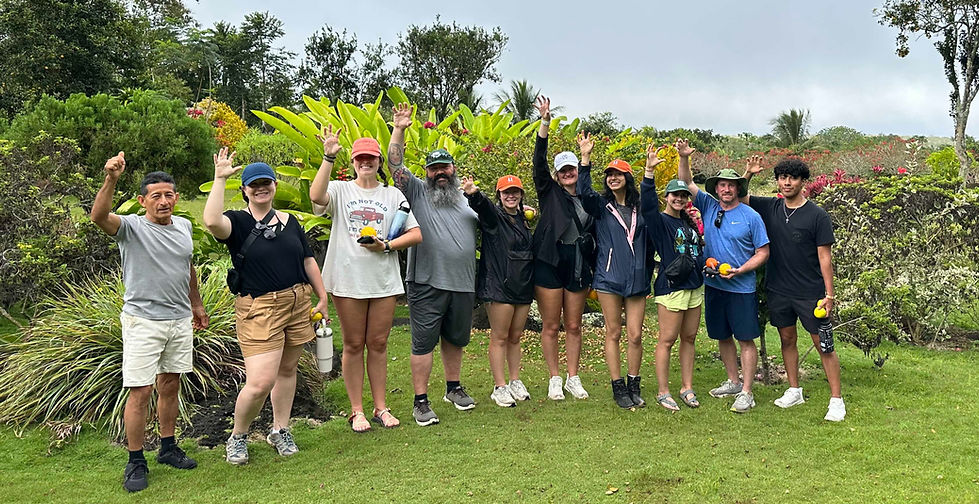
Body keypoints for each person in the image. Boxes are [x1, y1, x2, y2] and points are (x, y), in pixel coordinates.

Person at [90, 152, 208, 492]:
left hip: (178, 319)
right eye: (155, 195)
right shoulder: (131, 228)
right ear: (142, 200)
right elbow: (98, 216)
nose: (163, 200)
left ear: (176, 198)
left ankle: (168, 447)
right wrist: (111, 178)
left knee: (170, 385)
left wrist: (196, 304)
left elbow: (187, 268)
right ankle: (135, 460)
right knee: (140, 391)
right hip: (143, 321)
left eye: (169, 194)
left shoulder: (184, 226)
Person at [202, 149, 329, 463]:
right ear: (244, 189)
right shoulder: (238, 222)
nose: (261, 188)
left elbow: (307, 259)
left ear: (274, 185)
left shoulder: (290, 221)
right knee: (260, 382)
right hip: (259, 308)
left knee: (287, 370)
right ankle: (238, 436)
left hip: (297, 302)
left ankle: (280, 429)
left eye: (266, 183)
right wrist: (220, 178)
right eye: (254, 184)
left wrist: (322, 296)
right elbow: (211, 221)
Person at [309, 126, 423, 432]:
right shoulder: (340, 189)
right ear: (353, 161)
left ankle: (380, 407)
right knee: (353, 343)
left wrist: (386, 246)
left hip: (383, 280)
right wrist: (328, 157)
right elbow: (316, 196)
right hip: (347, 279)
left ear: (378, 161)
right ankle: (356, 410)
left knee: (379, 343)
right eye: (360, 158)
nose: (365, 163)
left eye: (371, 158)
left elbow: (415, 233)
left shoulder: (392, 195)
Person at [389, 103, 479, 426]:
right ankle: (420, 401)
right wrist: (399, 129)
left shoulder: (467, 196)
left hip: (462, 283)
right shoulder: (417, 192)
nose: (440, 172)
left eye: (445, 167)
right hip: (426, 281)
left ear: (453, 169)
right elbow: (395, 166)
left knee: (455, 338)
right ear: (426, 172)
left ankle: (453, 388)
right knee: (423, 341)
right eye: (434, 168)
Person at [742, 156, 845, 421]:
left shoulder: (817, 216)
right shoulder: (771, 207)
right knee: (787, 339)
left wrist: (829, 295)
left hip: (811, 293)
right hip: (779, 289)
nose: (787, 183)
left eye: (793, 178)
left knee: (824, 345)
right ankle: (794, 390)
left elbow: (825, 258)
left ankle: (836, 400)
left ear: (803, 182)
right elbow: (739, 198)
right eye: (782, 178)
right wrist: (748, 173)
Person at [676, 139, 770, 413]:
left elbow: (763, 252)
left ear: (738, 189)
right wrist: (683, 158)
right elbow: (686, 182)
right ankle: (732, 380)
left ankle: (747, 391)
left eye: (731, 185)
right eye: (721, 185)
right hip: (714, 284)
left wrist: (742, 270)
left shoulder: (751, 216)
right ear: (716, 189)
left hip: (741, 287)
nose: (726, 189)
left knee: (745, 338)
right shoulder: (709, 206)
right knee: (722, 336)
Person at [576, 135, 652, 409]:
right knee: (613, 332)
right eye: (609, 174)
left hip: (638, 279)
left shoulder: (641, 208)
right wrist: (585, 159)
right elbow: (584, 193)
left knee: (635, 334)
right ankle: (618, 386)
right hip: (609, 279)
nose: (612, 178)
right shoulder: (601, 207)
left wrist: (650, 171)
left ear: (627, 178)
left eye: (618, 174)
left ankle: (634, 383)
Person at [530, 96, 593, 401]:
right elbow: (538, 161)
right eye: (563, 170)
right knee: (552, 325)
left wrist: (586, 158)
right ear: (556, 174)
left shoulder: (588, 196)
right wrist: (545, 121)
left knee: (574, 325)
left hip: (578, 262)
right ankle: (555, 377)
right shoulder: (548, 191)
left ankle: (573, 376)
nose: (568, 173)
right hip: (550, 261)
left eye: (572, 169)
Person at [640, 145, 707, 412]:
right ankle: (663, 390)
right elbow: (646, 204)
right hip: (671, 289)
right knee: (667, 339)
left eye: (683, 195)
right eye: (674, 195)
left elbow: (696, 251)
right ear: (666, 197)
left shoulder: (687, 223)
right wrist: (649, 172)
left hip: (694, 287)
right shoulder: (659, 222)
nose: (679, 199)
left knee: (689, 338)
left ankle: (686, 387)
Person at [461, 174, 535, 407]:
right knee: (500, 337)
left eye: (515, 191)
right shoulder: (494, 218)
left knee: (515, 337)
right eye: (506, 192)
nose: (511, 195)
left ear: (521, 195)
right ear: (499, 195)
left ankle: (515, 380)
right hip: (498, 286)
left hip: (522, 286)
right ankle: (499, 386)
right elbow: (483, 207)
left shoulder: (523, 220)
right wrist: (473, 193)